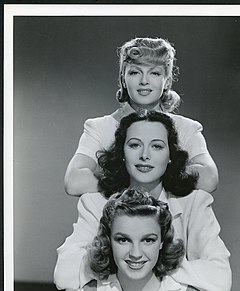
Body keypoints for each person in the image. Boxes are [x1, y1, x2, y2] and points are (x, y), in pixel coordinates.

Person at [54, 111, 231, 291]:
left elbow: (220, 279)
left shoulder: (195, 203)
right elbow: (64, 273)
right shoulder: (94, 202)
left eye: (156, 146)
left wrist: (145, 261)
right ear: (122, 152)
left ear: (171, 155)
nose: (145, 155)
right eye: (135, 145)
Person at [64, 37, 218, 196]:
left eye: (155, 73)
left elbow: (210, 178)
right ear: (123, 79)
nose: (144, 81)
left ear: (167, 81)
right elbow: (74, 182)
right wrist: (142, 174)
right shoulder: (99, 127)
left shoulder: (187, 128)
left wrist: (139, 172)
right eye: (135, 72)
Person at [64, 188, 217, 291]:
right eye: (123, 240)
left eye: (148, 240)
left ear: (162, 241)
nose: (135, 253)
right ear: (109, 240)